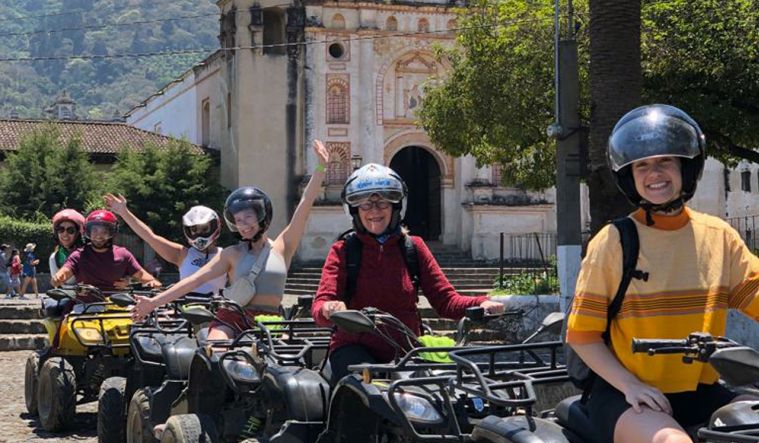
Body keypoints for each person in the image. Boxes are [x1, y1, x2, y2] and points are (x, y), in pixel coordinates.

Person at [565, 104, 759, 443]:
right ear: (629, 176)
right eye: (644, 166)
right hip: (621, 396)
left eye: (667, 163)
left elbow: (754, 294)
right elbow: (581, 335)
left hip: (700, 388)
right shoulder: (615, 241)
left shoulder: (719, 237)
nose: (656, 174)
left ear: (687, 169)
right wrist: (631, 384)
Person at [312, 163, 504, 384]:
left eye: (383, 202)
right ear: (355, 210)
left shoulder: (413, 247)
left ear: (396, 206)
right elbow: (321, 303)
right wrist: (329, 308)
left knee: (441, 395)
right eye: (365, 204)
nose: (374, 210)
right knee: (368, 394)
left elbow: (445, 300)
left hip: (405, 351)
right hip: (353, 349)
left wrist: (482, 303)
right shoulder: (343, 250)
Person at [131, 139, 330, 337]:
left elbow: (304, 205)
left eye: (248, 217)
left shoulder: (282, 247)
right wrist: (153, 303)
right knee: (217, 348)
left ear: (262, 215)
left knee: (297, 359)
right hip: (234, 319)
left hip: (271, 324)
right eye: (238, 220)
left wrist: (321, 166)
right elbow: (193, 280)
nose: (243, 225)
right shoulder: (231, 254)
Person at [103, 194, 227, 295]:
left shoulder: (227, 255)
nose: (199, 234)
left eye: (204, 229)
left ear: (215, 226)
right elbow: (149, 236)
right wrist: (124, 212)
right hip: (187, 311)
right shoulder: (182, 254)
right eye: (194, 230)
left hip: (218, 313)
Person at [51, 209, 161, 291]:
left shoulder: (123, 255)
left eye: (104, 231)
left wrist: (152, 282)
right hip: (84, 309)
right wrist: (58, 278)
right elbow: (64, 272)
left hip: (117, 307)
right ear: (88, 232)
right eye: (94, 231)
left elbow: (143, 276)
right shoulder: (78, 255)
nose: (99, 236)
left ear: (112, 232)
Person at [49, 209, 86, 285]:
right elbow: (58, 287)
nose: (65, 234)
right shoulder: (55, 257)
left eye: (70, 230)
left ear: (78, 234)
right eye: (61, 229)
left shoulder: (89, 254)